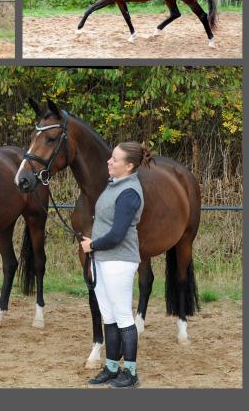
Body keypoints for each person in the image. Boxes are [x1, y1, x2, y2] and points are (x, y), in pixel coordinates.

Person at [81, 142, 150, 388]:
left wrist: (93, 245)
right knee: (108, 316)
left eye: (115, 160)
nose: (109, 162)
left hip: (119, 260)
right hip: (103, 259)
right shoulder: (114, 185)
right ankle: (112, 367)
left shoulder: (130, 192)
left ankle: (130, 372)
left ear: (129, 166)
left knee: (122, 316)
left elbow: (118, 234)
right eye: (111, 157)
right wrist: (94, 247)